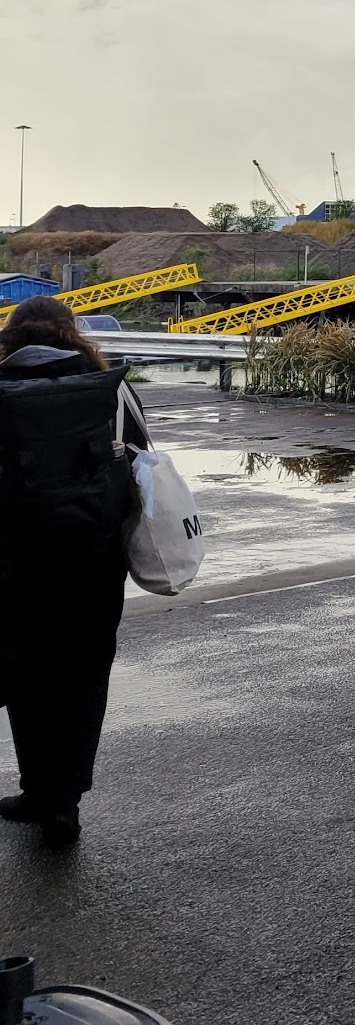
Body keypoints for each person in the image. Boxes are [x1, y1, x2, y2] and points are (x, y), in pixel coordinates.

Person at [0, 296, 149, 847]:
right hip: (91, 556)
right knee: (83, 676)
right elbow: (142, 460)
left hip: (13, 560)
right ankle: (63, 803)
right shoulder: (106, 389)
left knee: (23, 674)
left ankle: (37, 788)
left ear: (11, 338)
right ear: (73, 333)